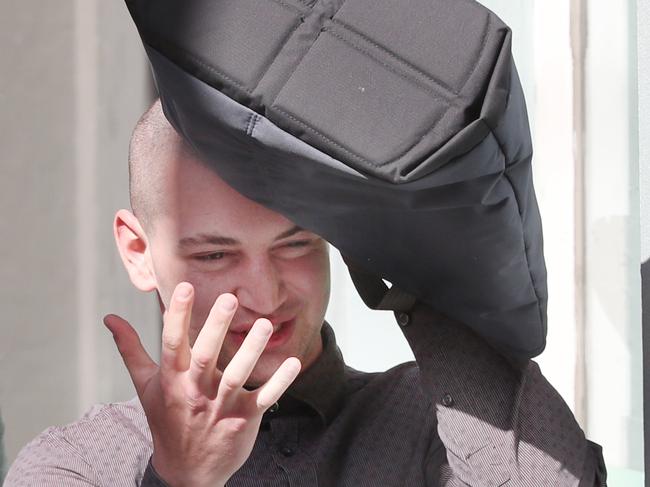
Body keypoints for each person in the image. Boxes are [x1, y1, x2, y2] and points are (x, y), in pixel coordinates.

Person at [5, 101, 607, 486]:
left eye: (296, 244)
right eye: (215, 255)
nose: (265, 294)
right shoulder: (79, 463)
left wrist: (422, 264)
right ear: (139, 252)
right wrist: (181, 480)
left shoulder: (433, 423)